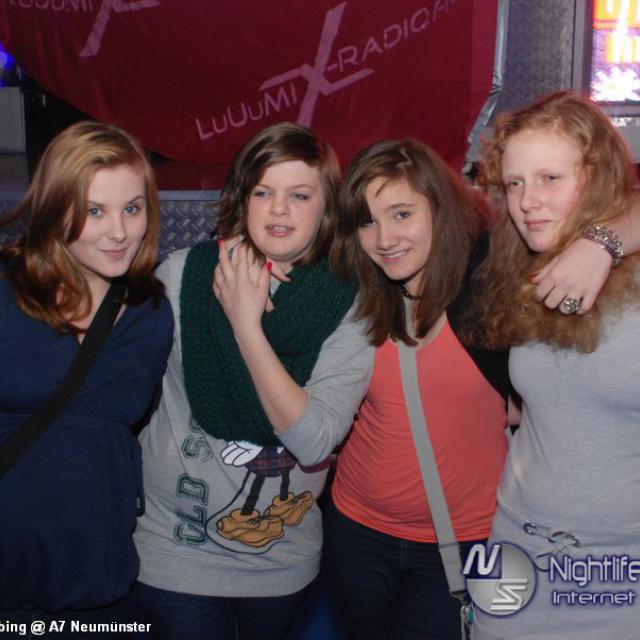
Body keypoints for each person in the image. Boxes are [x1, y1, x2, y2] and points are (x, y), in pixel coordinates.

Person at [132, 122, 372, 640]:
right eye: (263, 192)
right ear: (242, 199)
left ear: (327, 208)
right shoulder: (181, 275)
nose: (279, 209)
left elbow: (313, 440)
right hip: (174, 550)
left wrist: (245, 325)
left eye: (299, 195)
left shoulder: (350, 304)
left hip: (281, 559)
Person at [469, 91, 640, 639]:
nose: (527, 202)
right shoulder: (524, 270)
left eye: (550, 178)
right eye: (515, 183)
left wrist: (605, 240)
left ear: (598, 178)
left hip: (620, 565)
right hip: (515, 541)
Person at [324, 139, 510, 640]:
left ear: (439, 210)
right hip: (357, 532)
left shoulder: (489, 291)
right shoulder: (351, 294)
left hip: (467, 538)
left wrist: (599, 246)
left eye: (402, 214)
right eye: (367, 221)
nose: (384, 239)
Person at [0, 122, 173, 633]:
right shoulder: (6, 292)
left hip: (97, 588)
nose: (118, 232)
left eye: (132, 209)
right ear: (56, 207)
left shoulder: (151, 315)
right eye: (94, 211)